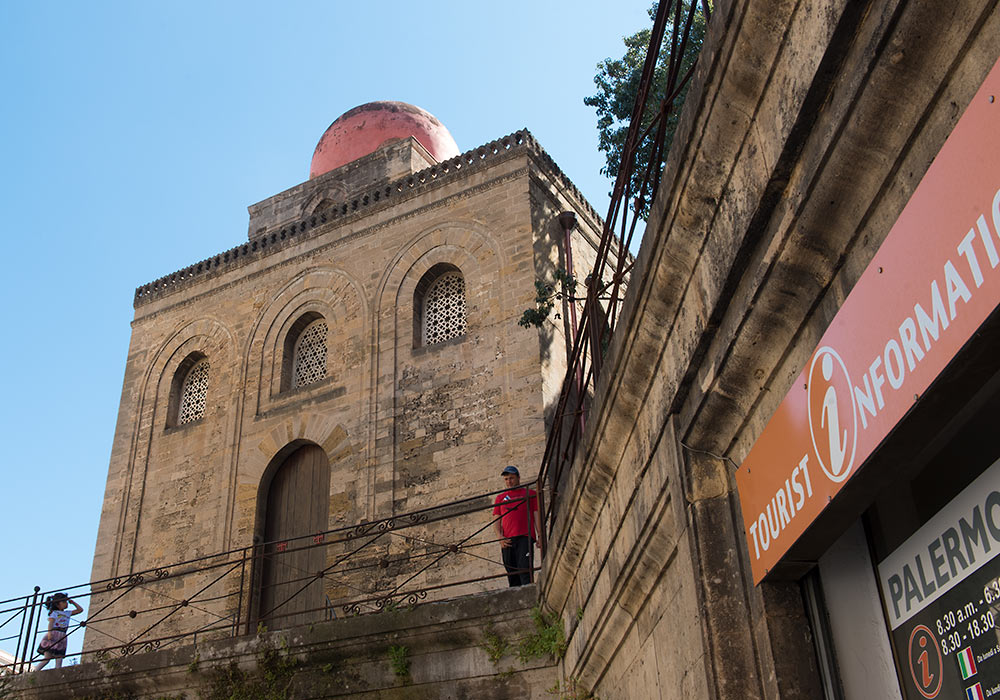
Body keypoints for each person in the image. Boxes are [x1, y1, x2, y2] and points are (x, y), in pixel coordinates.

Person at [492, 466, 538, 587]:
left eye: (511, 478)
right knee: (511, 573)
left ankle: (528, 596)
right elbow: (496, 519)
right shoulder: (500, 498)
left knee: (524, 569)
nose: (509, 482)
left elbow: (536, 515)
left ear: (518, 478)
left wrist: (540, 536)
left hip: (524, 536)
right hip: (507, 539)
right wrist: (499, 537)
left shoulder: (530, 493)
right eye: (506, 479)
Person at [34, 593, 82, 670]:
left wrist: (72, 602)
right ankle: (35, 670)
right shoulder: (55, 613)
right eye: (64, 602)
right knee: (47, 658)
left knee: (59, 657)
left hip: (62, 635)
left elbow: (80, 610)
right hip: (54, 633)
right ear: (58, 604)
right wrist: (49, 632)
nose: (66, 604)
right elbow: (51, 623)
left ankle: (58, 670)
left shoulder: (67, 613)